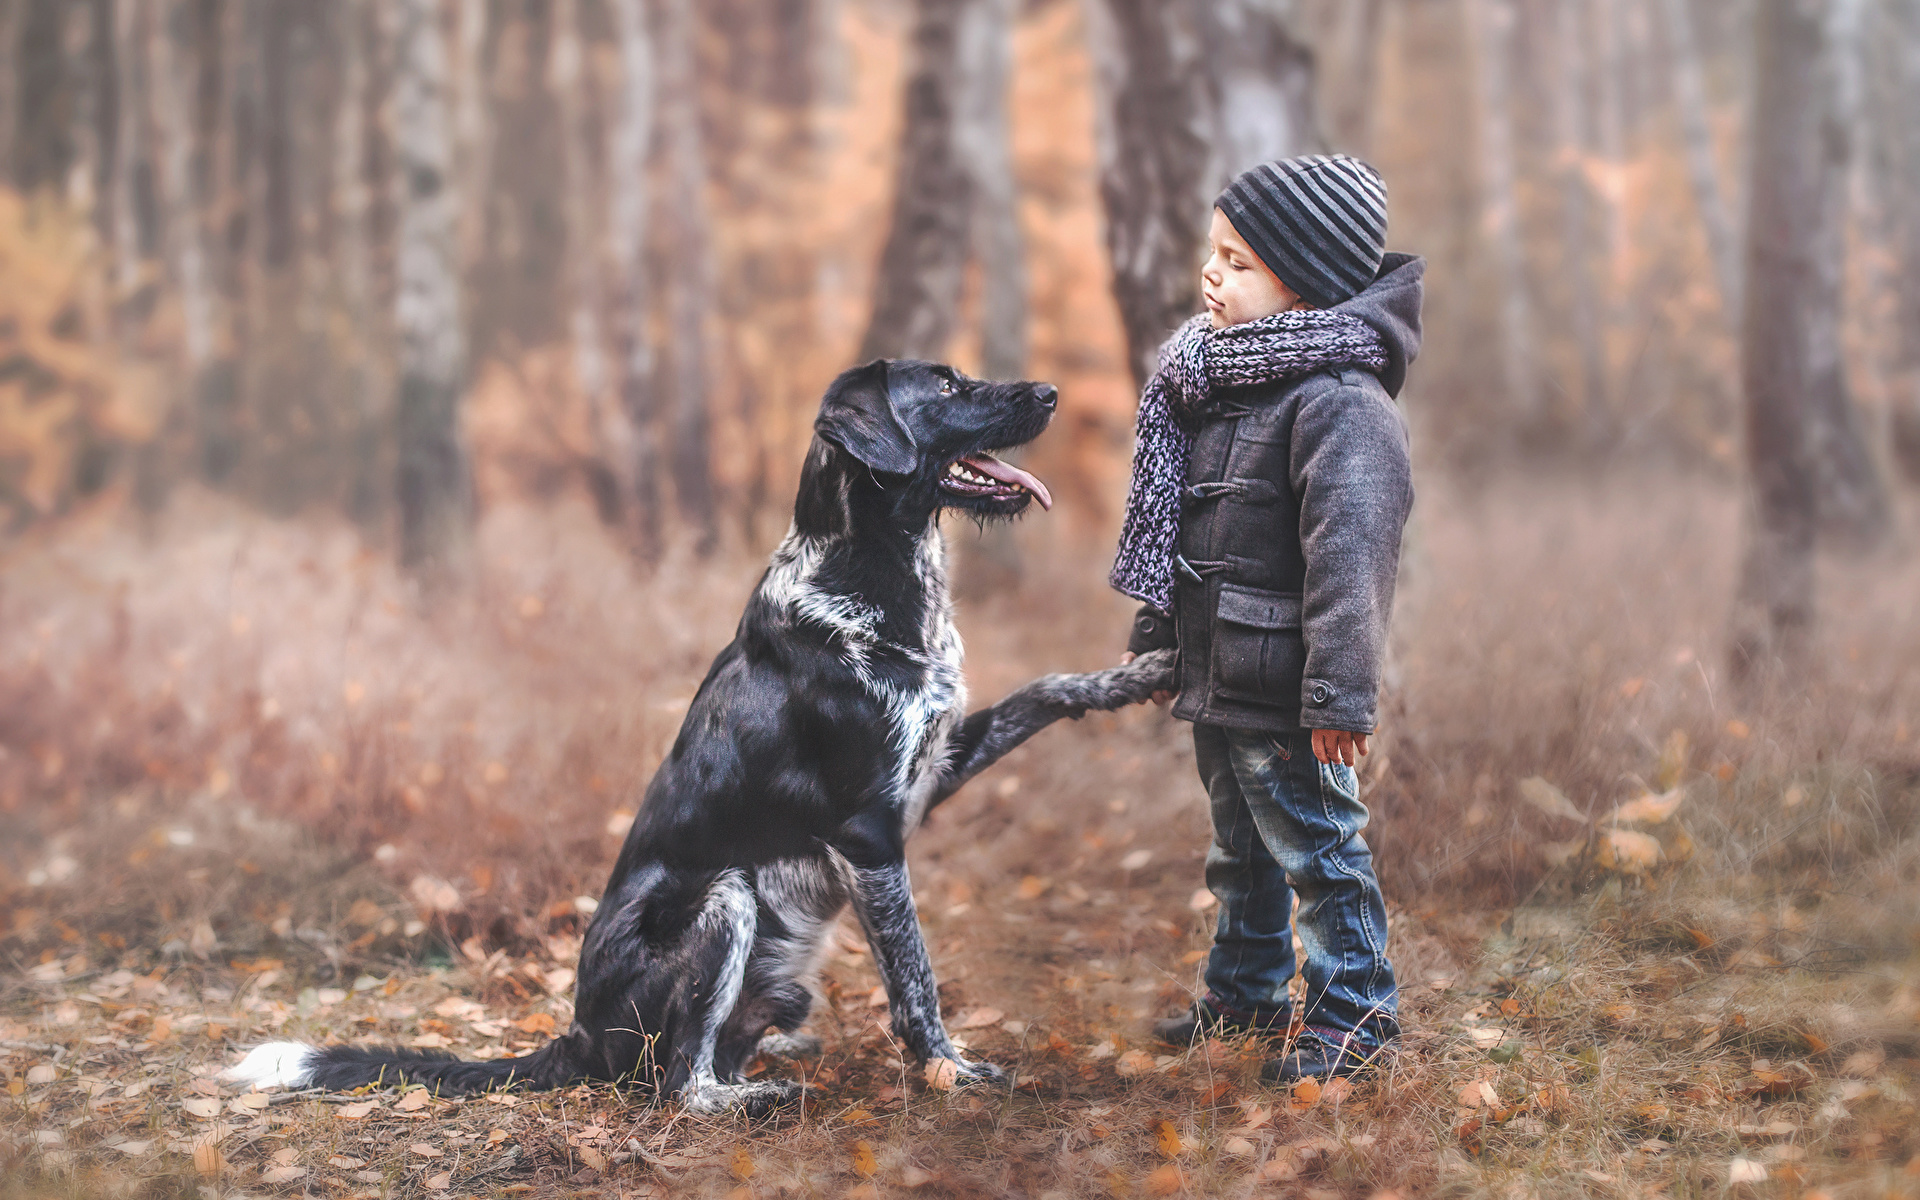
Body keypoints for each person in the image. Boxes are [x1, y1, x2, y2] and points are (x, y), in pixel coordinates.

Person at [1113, 155, 1422, 1084]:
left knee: (1319, 851)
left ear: (1308, 286)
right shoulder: (1215, 384)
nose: (1212, 274)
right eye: (1214, 252)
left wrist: (1337, 697)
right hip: (1223, 671)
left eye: (1239, 262)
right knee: (1239, 852)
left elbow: (1351, 561)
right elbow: (1188, 531)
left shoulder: (1339, 406)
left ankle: (1357, 1014)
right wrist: (1163, 641)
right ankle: (1246, 993)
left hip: (1289, 685)